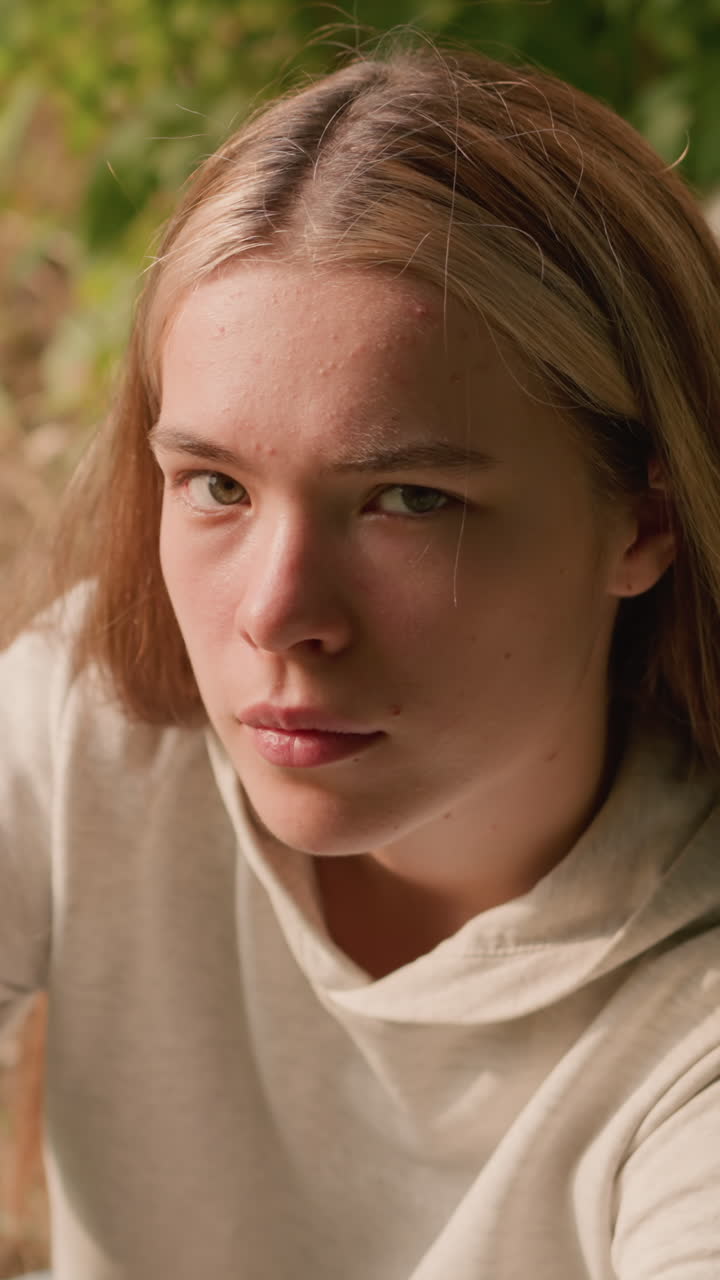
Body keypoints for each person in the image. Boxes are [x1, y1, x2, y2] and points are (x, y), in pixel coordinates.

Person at [1, 39, 720, 1280]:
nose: (276, 617)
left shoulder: (688, 1016)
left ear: (643, 519)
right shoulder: (93, 725)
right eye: (215, 484)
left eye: (410, 498)